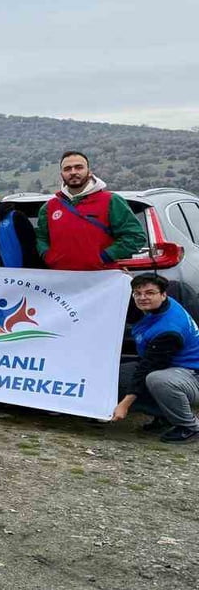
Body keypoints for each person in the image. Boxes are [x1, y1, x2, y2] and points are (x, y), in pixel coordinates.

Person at [112, 275, 199, 443]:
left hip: (192, 375)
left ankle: (190, 426)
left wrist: (124, 405)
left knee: (155, 380)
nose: (143, 297)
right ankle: (165, 415)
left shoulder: (169, 330)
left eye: (150, 293)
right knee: (114, 372)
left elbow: (148, 368)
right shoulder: (156, 307)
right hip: (171, 366)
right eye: (138, 293)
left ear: (163, 294)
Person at [36, 151, 146, 270]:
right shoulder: (49, 207)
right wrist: (48, 256)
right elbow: (41, 238)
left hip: (101, 278)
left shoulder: (111, 201)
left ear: (89, 171)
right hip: (61, 279)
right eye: (67, 169)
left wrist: (105, 256)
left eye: (79, 167)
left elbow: (135, 236)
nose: (73, 172)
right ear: (61, 174)